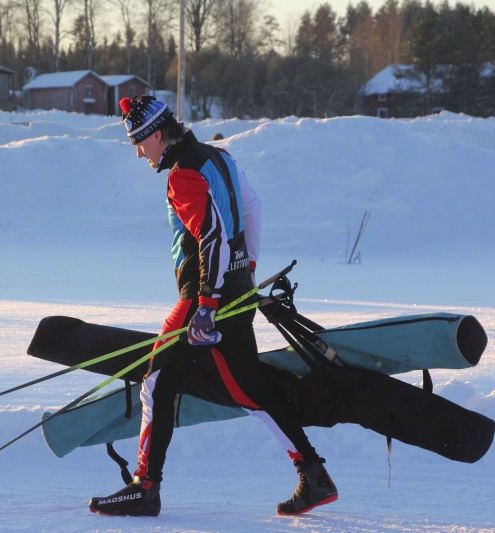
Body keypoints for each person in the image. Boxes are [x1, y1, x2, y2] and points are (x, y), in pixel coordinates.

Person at [88, 96, 337, 517]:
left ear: (156, 135)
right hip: (237, 295)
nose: (137, 151)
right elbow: (252, 209)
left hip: (203, 302)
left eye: (138, 142)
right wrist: (247, 271)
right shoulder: (219, 158)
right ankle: (314, 476)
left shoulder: (183, 174)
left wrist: (205, 305)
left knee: (154, 386)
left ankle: (145, 487)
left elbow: (212, 236)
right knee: (250, 392)